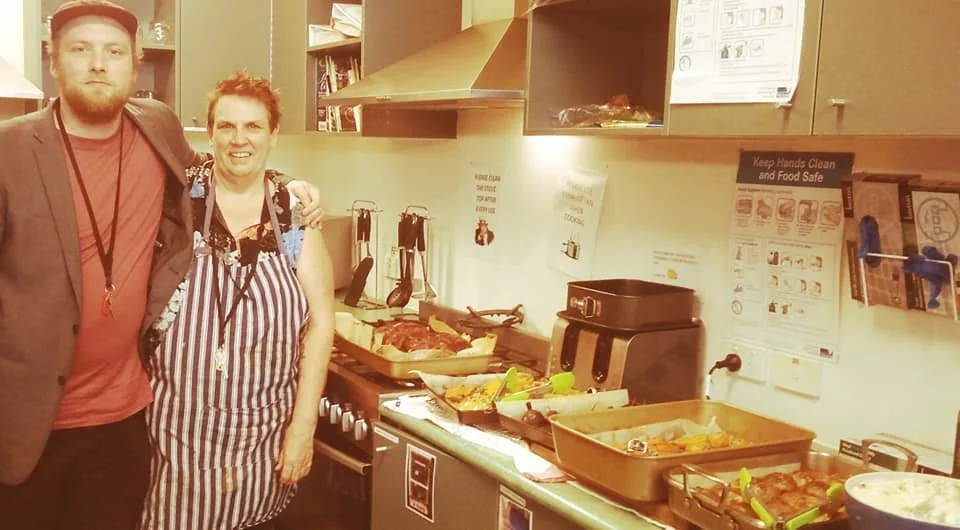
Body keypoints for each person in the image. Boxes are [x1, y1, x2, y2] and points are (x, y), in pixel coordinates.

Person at [0, 2, 323, 528]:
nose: (99, 65)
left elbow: (222, 162)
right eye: (81, 50)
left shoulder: (158, 128)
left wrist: (287, 186)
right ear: (54, 61)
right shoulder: (10, 150)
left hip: (125, 420)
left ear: (135, 62)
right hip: (27, 426)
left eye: (113, 52)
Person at [139, 71, 334, 530]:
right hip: (174, 435)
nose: (238, 139)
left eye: (253, 127)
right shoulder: (174, 200)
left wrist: (303, 428)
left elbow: (322, 321)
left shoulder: (291, 213)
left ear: (273, 135)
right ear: (209, 133)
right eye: (226, 126)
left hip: (262, 439)